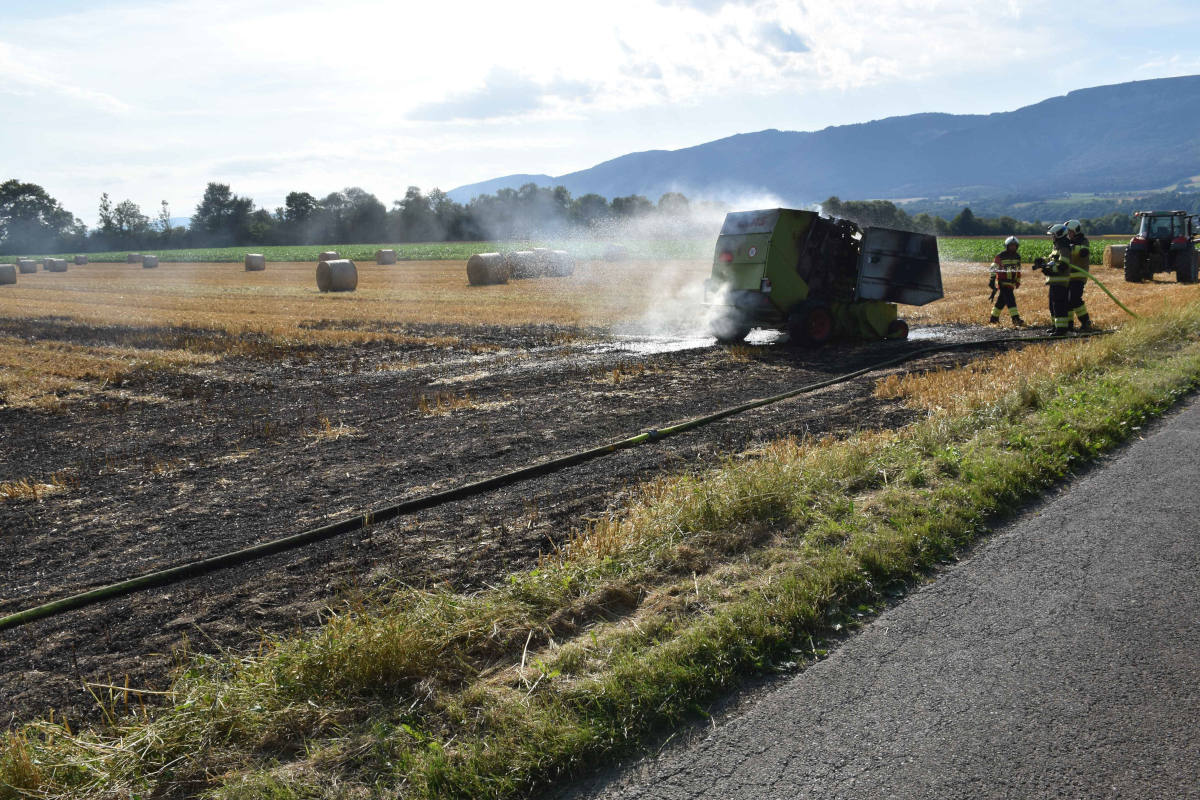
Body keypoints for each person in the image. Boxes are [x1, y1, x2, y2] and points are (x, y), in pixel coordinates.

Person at [1035, 223, 1073, 336]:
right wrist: (1042, 262)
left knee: (1059, 306)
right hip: (1054, 281)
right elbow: (1052, 260)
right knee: (1052, 305)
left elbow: (1063, 265)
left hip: (1061, 281)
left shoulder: (1064, 247)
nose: (1052, 237)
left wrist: (1049, 270)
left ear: (1059, 234)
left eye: (1053, 235)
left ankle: (1061, 330)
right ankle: (1055, 326)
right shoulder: (1057, 247)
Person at [1063, 219, 1093, 330]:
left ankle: (1086, 322)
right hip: (1068, 276)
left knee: (1074, 299)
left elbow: (1083, 252)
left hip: (1079, 276)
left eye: (1070, 231)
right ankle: (1069, 324)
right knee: (1066, 300)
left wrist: (1071, 248)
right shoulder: (1066, 242)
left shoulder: (1083, 241)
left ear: (1075, 231)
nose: (1068, 234)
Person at [989, 235, 1025, 325]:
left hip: (1011, 283)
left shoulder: (1017, 257)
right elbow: (993, 266)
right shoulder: (1001, 256)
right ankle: (1015, 319)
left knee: (1001, 301)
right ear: (1007, 246)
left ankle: (993, 318)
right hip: (1003, 282)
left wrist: (1018, 281)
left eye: (1014, 246)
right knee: (1010, 300)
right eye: (1011, 245)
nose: (1013, 247)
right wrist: (992, 279)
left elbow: (1018, 270)